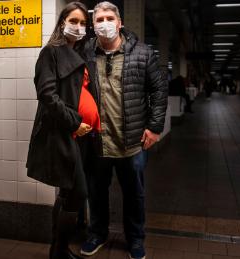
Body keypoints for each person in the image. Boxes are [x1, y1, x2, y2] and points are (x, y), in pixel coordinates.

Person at [81, 2, 168, 259]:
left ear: (120, 23)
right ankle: (97, 233)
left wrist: (154, 127)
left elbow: (159, 91)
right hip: (97, 140)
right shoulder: (85, 53)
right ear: (93, 25)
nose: (104, 23)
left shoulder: (142, 53)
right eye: (99, 19)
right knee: (96, 193)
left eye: (109, 18)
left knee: (135, 195)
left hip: (132, 142)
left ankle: (136, 239)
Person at [26, 2, 99, 259]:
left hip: (79, 136)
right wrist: (74, 122)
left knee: (68, 191)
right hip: (62, 133)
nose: (78, 27)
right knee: (78, 191)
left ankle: (58, 251)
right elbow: (47, 94)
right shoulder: (51, 53)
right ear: (62, 22)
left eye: (83, 23)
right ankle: (58, 250)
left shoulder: (78, 53)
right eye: (74, 21)